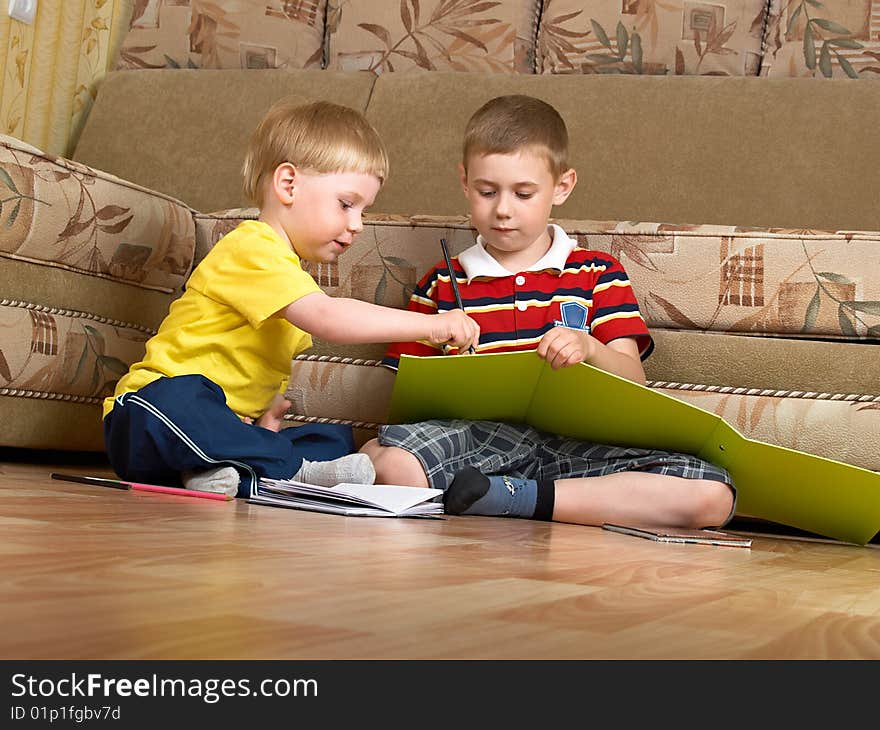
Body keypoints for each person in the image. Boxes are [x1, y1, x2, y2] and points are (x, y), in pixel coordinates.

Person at [360, 94, 735, 528]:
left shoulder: (598, 273)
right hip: (475, 442)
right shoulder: (443, 282)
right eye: (486, 191)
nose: (502, 209)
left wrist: (590, 349)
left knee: (711, 493)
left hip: (578, 446)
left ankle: (515, 498)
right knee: (392, 465)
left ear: (562, 186)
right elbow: (402, 402)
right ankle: (493, 495)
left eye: (523, 193)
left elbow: (634, 379)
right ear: (464, 181)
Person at [103, 100, 479, 499]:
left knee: (333, 439)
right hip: (145, 419)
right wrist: (433, 324)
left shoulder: (288, 271)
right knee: (180, 396)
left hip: (212, 434)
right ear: (288, 184)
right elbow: (328, 316)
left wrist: (260, 421)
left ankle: (232, 469)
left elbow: (248, 372)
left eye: (364, 210)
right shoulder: (251, 247)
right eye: (347, 204)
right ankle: (282, 468)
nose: (358, 225)